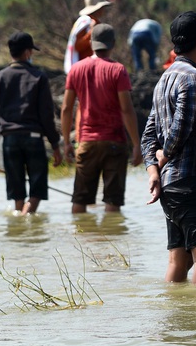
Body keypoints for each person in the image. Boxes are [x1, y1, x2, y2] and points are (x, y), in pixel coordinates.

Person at [141, 11, 196, 284]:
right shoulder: (194, 78)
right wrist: (162, 159)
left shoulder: (164, 80)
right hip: (193, 182)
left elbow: (149, 134)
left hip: (170, 186)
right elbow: (179, 131)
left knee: (178, 261)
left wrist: (153, 171)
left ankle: (174, 320)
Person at [60, 23, 143, 213]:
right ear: (113, 43)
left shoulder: (76, 69)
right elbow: (127, 109)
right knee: (113, 203)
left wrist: (66, 143)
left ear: (91, 42)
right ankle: (111, 241)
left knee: (79, 201)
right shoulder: (118, 70)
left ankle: (81, 240)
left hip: (87, 141)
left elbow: (66, 108)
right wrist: (137, 143)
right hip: (114, 141)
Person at [0, 32, 62, 214]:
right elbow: (46, 115)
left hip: (9, 141)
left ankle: (21, 229)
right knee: (38, 188)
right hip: (33, 139)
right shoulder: (39, 77)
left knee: (17, 193)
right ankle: (28, 219)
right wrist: (55, 144)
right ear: (28, 52)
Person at [64, 0, 112, 74]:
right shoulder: (86, 22)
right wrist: (91, 32)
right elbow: (78, 46)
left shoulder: (95, 22)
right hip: (84, 67)